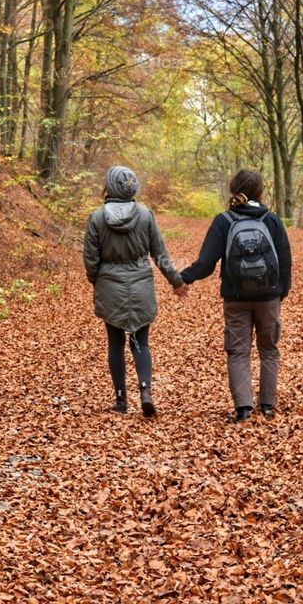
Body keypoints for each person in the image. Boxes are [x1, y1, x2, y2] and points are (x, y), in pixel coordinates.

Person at [180, 168, 292, 422]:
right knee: (269, 350)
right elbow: (285, 261)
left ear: (234, 189)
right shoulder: (271, 220)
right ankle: (267, 406)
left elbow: (206, 263)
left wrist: (183, 278)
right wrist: (280, 292)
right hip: (269, 297)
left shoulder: (224, 221)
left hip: (235, 297)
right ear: (259, 191)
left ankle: (243, 409)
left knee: (239, 351)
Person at [83, 165, 188, 417]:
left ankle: (121, 400)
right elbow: (160, 254)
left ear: (109, 187)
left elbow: (90, 258)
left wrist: (96, 280)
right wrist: (176, 281)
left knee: (116, 343)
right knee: (141, 341)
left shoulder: (97, 218)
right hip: (141, 285)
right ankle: (145, 391)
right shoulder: (145, 216)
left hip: (110, 286)